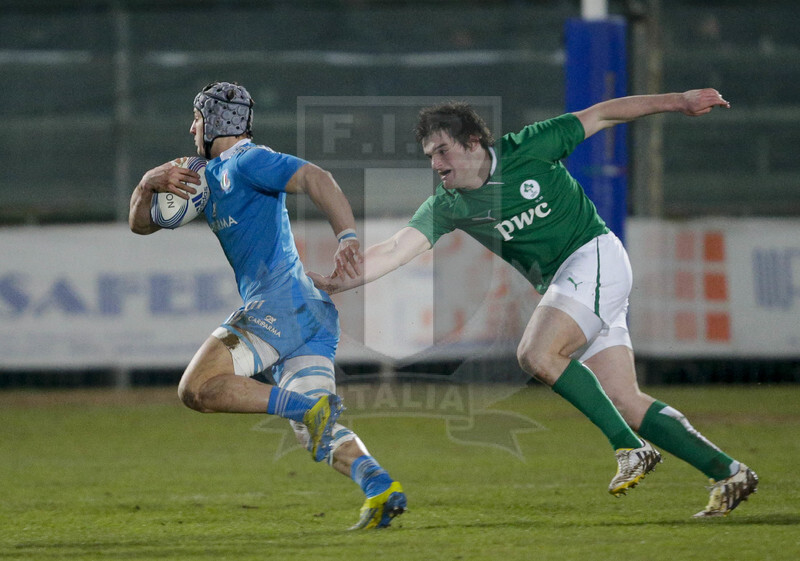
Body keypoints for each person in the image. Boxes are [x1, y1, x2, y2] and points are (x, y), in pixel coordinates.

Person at [310, 89, 757, 518]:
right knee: (624, 398)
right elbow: (395, 248)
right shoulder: (449, 205)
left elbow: (604, 113)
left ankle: (630, 448)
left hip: (595, 256)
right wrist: (336, 283)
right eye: (429, 156)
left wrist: (679, 102)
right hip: (578, 284)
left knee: (537, 353)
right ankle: (729, 473)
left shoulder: (530, 146)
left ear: (473, 142)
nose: (436, 164)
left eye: (442, 151)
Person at [129, 81, 406, 530]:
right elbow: (140, 226)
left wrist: (348, 237)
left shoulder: (249, 160)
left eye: (197, 118)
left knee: (196, 389)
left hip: (279, 304)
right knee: (314, 433)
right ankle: (379, 486)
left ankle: (303, 407)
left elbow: (317, 178)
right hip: (310, 314)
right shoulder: (207, 176)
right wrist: (147, 184)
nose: (191, 127)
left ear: (215, 122)